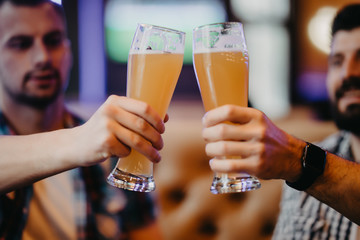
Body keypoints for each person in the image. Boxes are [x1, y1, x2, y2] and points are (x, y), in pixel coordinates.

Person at [0, 0, 164, 239]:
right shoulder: (93, 138)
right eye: (21, 44)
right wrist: (79, 141)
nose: (42, 57)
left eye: (53, 40)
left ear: (68, 49)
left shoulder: (115, 145)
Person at [201, 3, 360, 239]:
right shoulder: (308, 175)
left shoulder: (303, 164)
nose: (347, 73)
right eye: (337, 61)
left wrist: (298, 161)